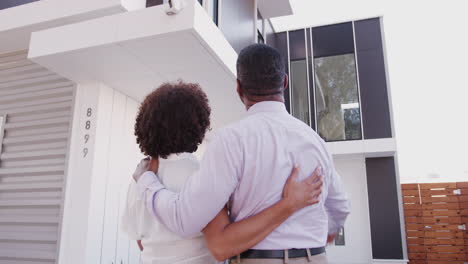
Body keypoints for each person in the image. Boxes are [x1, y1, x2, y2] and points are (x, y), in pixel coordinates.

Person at [134, 44, 351, 264]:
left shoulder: (232, 141)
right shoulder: (315, 141)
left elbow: (184, 219)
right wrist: (311, 238)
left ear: (239, 88)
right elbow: (340, 207)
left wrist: (145, 180)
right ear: (284, 82)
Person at [122, 82, 324, 264]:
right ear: (198, 125)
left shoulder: (138, 180)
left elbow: (140, 240)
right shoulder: (202, 173)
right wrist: (288, 203)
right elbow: (227, 239)